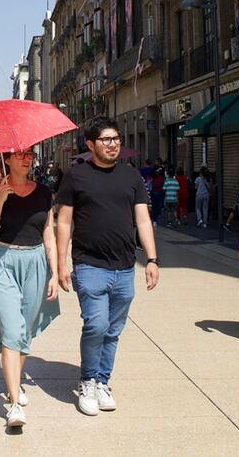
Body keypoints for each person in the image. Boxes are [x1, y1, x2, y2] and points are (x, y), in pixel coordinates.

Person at [56, 116, 160, 417]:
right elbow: (64, 221)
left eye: (116, 139)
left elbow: (142, 219)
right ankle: (88, 380)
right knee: (96, 324)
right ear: (90, 144)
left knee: (113, 330)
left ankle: (103, 381)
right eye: (106, 139)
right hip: (89, 264)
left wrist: (152, 259)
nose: (113, 144)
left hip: (126, 266)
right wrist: (62, 263)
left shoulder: (131, 176)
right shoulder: (76, 175)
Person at [0, 149, 61, 428]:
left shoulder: (44, 192)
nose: (27, 159)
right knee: (12, 332)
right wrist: (1, 200)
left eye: (30, 154)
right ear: (7, 159)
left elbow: (48, 232)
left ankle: (15, 381)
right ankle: (14, 404)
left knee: (25, 329)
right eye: (20, 155)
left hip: (36, 261)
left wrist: (55, 271)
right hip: (3, 260)